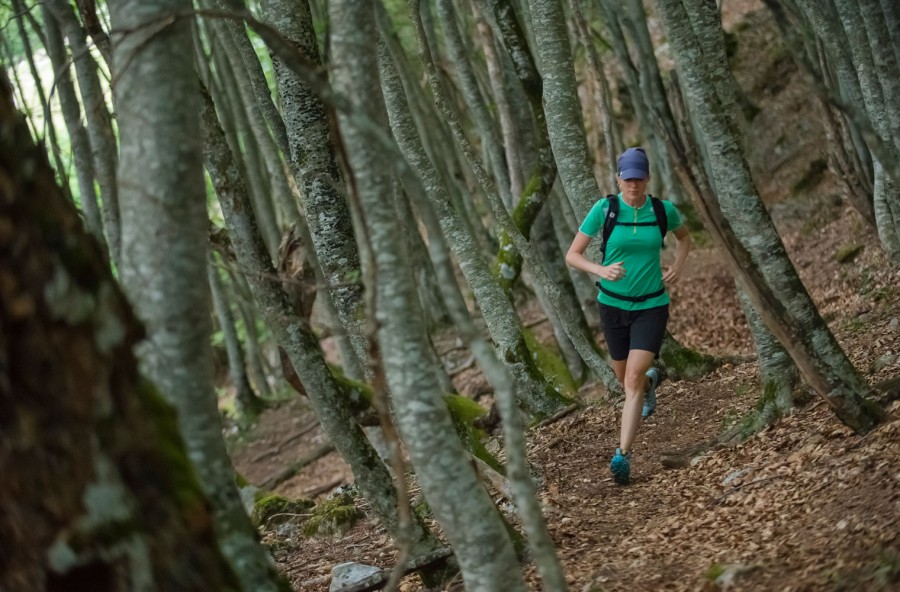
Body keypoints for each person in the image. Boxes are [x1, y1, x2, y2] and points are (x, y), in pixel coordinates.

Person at [565, 147, 692, 485]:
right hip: (612, 306)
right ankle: (651, 383)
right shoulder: (604, 210)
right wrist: (600, 269)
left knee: (631, 380)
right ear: (618, 179)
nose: (633, 184)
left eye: (639, 178)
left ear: (647, 179)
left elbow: (685, 239)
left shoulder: (663, 211)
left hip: (651, 305)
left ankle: (623, 454)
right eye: (627, 178)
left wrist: (677, 266)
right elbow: (572, 255)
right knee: (627, 381)